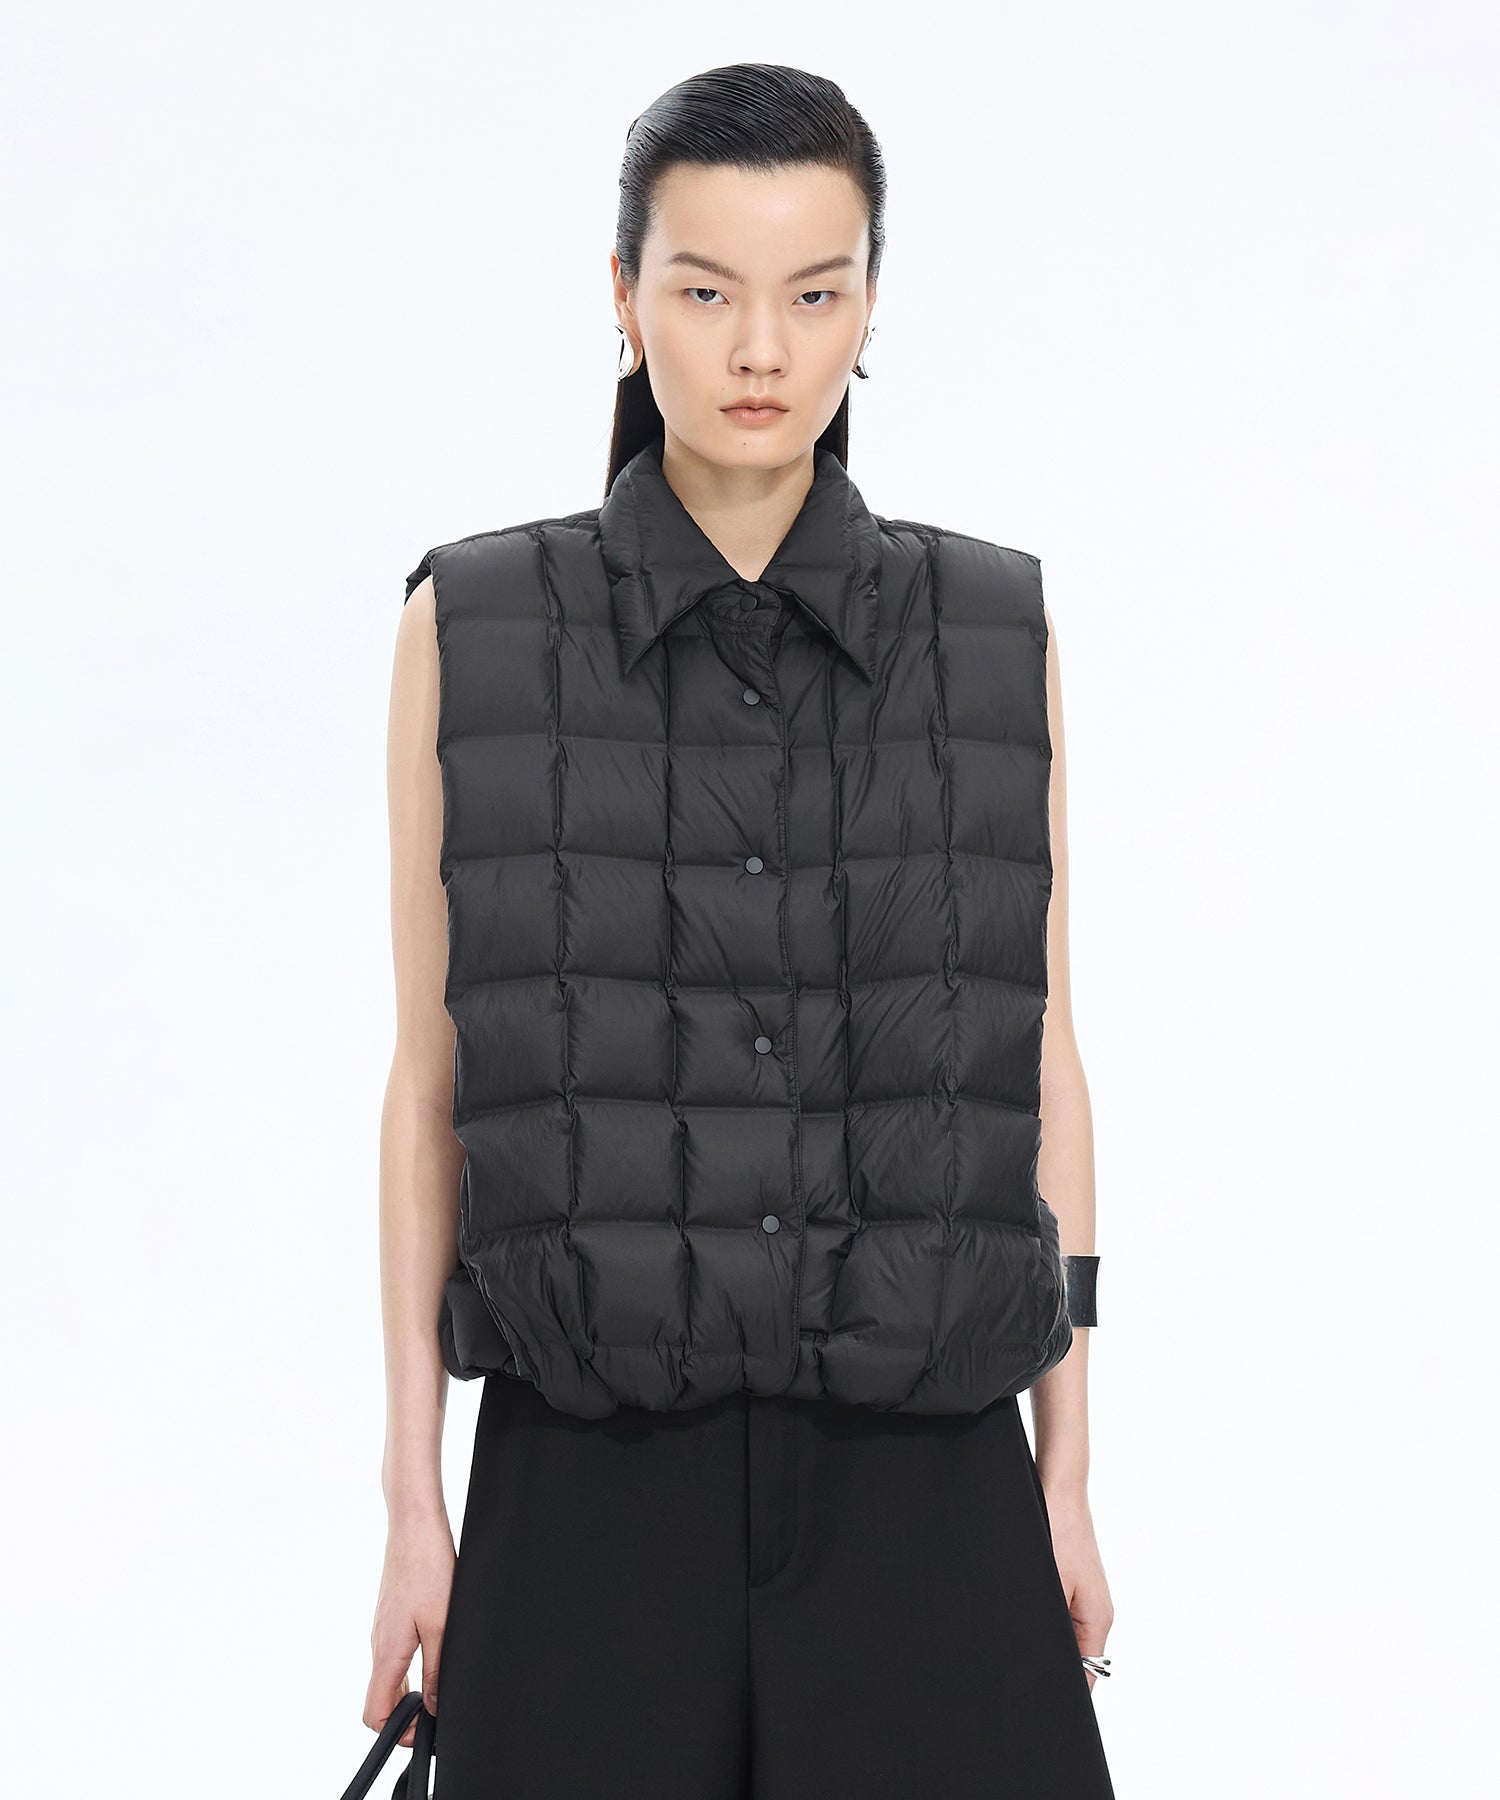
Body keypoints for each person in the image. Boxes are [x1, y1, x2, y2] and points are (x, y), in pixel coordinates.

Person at [368, 61, 1115, 1800]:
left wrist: (1067, 1475)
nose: (761, 350)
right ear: (624, 296)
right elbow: (431, 1086)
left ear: (870, 304)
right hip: (585, 1488)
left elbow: (1043, 1062)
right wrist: (416, 1503)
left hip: (930, 1484)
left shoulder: (990, 629)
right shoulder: (475, 624)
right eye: (706, 292)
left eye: (814, 293)